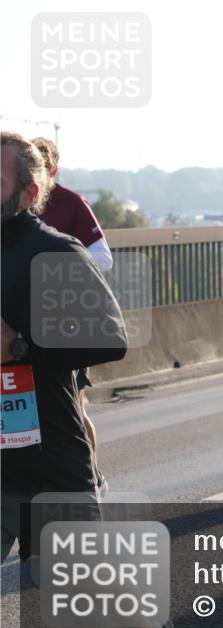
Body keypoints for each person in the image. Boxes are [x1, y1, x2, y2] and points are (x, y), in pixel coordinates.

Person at [1, 132, 174, 628]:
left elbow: (108, 339)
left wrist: (19, 346)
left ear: (29, 194)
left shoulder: (53, 251)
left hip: (48, 448)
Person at [31, 137, 112, 494]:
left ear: (53, 170)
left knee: (73, 411)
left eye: (42, 170)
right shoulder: (11, 204)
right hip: (20, 326)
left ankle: (93, 478)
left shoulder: (70, 203)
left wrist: (59, 269)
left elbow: (104, 258)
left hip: (66, 326)